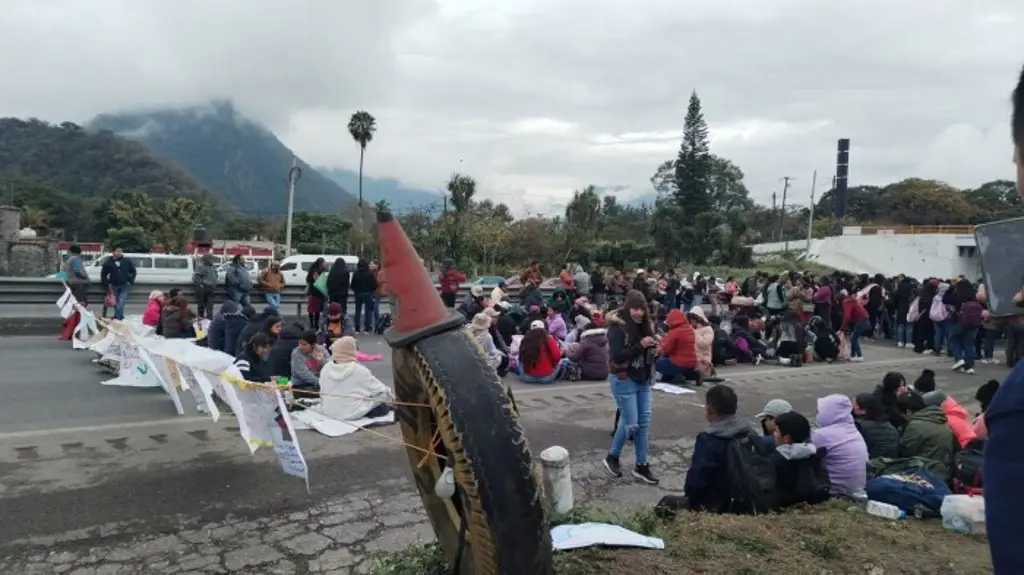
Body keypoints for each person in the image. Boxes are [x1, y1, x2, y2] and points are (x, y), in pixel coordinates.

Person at [602, 290, 659, 485]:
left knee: (644, 422)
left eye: (642, 309)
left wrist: (655, 350)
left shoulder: (645, 326)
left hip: (643, 378)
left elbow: (647, 351)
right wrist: (640, 346)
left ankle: (642, 465)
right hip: (623, 377)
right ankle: (612, 457)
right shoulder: (617, 328)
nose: (638, 313)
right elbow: (618, 355)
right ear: (627, 308)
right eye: (635, 308)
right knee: (630, 422)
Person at [667, 385, 753, 512]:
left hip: (714, 505)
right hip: (745, 500)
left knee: (666, 503)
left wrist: (691, 498)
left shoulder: (709, 439)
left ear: (710, 409)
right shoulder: (749, 431)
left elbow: (697, 479)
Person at [318, 336, 394, 421]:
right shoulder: (359, 370)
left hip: (328, 411)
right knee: (383, 396)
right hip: (351, 413)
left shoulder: (326, 367)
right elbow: (381, 390)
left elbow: (322, 393)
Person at [810, 394, 868, 500]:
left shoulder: (822, 435)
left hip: (837, 492)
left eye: (819, 411)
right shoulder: (852, 429)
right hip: (859, 489)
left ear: (829, 413)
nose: (817, 415)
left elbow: (806, 452)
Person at [771, 411, 831, 509]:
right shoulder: (814, 454)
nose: (774, 434)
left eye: (777, 431)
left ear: (786, 438)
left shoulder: (776, 461)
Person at [896, 392, 955, 480]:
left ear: (908, 412)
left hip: (926, 473)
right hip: (944, 472)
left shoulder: (915, 426)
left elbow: (905, 454)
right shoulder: (938, 419)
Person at [655, 309, 700, 384]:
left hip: (678, 362)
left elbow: (666, 349)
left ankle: (677, 375)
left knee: (657, 364)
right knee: (682, 370)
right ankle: (694, 375)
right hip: (692, 363)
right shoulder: (689, 329)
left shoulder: (674, 332)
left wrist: (660, 342)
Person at [851, 392, 899, 459]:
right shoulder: (889, 425)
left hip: (871, 464)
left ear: (862, 407)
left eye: (855, 404)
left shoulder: (859, 426)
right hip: (891, 462)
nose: (853, 407)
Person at [100, 247, 136, 321]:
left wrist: (131, 281)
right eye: (117, 251)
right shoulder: (108, 263)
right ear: (113, 252)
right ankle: (120, 317)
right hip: (113, 285)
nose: (119, 252)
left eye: (120, 251)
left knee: (121, 301)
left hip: (125, 285)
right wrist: (107, 283)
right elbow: (103, 274)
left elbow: (133, 271)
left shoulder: (127, 261)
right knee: (116, 302)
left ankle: (116, 317)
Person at [290, 330, 329, 394]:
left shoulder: (321, 350)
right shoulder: (296, 353)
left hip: (319, 384)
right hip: (301, 385)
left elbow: (330, 366)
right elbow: (304, 374)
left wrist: (322, 360)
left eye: (304, 344)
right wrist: (321, 383)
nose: (301, 346)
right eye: (300, 343)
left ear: (313, 345)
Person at [350, 259, 378, 334]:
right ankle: (367, 328)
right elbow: (375, 285)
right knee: (368, 311)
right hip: (368, 293)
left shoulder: (356, 273)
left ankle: (357, 328)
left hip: (358, 294)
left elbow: (352, 285)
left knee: (357, 311)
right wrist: (371, 290)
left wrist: (356, 291)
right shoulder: (370, 274)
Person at [840, 289, 869, 362]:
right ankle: (853, 355)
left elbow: (847, 316)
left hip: (861, 320)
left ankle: (859, 355)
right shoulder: (853, 301)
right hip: (864, 319)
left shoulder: (846, 303)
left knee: (853, 338)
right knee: (853, 338)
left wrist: (842, 328)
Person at [192, 254, 218, 319]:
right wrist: (205, 282)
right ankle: (201, 321)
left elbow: (216, 275)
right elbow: (196, 278)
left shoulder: (213, 267)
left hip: (211, 290)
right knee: (201, 306)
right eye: (211, 259)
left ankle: (209, 321)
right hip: (202, 289)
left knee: (210, 307)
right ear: (206, 259)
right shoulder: (200, 267)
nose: (213, 260)